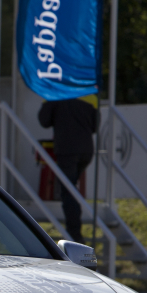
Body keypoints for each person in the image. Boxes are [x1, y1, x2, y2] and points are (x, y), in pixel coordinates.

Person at [37, 95, 99, 244]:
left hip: (67, 150)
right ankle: (75, 231)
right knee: (71, 189)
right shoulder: (89, 94)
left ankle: (75, 235)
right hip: (86, 151)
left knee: (68, 191)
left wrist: (48, 98)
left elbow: (44, 120)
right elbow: (95, 127)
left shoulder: (57, 93)